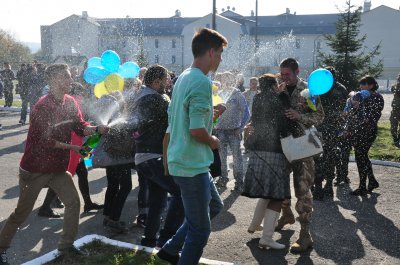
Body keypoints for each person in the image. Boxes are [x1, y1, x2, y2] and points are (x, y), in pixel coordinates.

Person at [0, 64, 109, 265]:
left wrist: (96, 129)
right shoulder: (42, 106)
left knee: (73, 203)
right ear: (53, 81)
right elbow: (44, 141)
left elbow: (80, 125)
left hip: (57, 168)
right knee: (20, 214)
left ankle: (66, 246)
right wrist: (73, 148)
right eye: (66, 77)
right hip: (35, 169)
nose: (71, 80)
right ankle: (1, 248)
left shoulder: (70, 102)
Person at [156, 27, 227, 265]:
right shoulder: (200, 82)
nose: (220, 58)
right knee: (200, 231)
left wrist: (210, 117)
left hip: (188, 160)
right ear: (209, 52)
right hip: (191, 164)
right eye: (219, 53)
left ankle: (169, 249)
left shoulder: (186, 76)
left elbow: (183, 118)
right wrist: (213, 140)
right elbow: (196, 131)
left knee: (214, 206)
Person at [129, 65, 184, 248]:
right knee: (181, 193)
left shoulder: (146, 96)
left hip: (146, 157)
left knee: (158, 202)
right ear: (156, 82)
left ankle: (149, 241)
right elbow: (177, 117)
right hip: (153, 157)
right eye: (167, 79)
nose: (169, 82)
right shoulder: (154, 99)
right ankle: (166, 239)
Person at [275, 58, 324, 253]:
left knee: (302, 189)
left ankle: (305, 235)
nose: (283, 77)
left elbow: (320, 117)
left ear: (297, 72)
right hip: (282, 146)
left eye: (287, 74)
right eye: (282, 74)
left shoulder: (308, 91)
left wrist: (300, 116)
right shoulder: (279, 89)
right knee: (280, 184)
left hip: (303, 148)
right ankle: (286, 214)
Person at [243, 74, 292, 250]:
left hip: (257, 149)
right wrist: (283, 95)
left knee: (266, 191)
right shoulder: (278, 99)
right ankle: (267, 238)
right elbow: (285, 119)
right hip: (274, 150)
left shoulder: (257, 98)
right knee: (277, 195)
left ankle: (255, 225)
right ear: (273, 86)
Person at [313, 67, 348, 200]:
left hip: (327, 128)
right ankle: (322, 186)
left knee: (324, 156)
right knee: (323, 156)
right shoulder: (338, 88)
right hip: (322, 128)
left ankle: (324, 186)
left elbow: (340, 110)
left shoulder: (337, 89)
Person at [346, 76, 384, 196]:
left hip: (368, 132)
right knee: (362, 157)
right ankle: (371, 181)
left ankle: (363, 186)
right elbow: (354, 112)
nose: (361, 87)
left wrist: (360, 104)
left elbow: (371, 115)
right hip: (359, 132)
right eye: (361, 84)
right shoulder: (361, 96)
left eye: (364, 84)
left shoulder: (377, 97)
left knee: (360, 157)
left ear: (371, 85)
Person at [214, 71, 250, 192]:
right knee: (221, 157)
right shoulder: (218, 93)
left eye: (228, 78)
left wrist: (240, 128)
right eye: (223, 78)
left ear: (232, 80)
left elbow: (246, 113)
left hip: (234, 131)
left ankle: (239, 182)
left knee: (237, 157)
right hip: (220, 131)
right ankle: (223, 178)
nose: (225, 81)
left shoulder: (237, 94)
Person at [390, 73, 400, 147]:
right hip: (395, 109)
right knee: (393, 124)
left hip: (396, 108)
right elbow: (393, 90)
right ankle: (395, 138)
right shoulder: (395, 86)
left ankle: (398, 138)